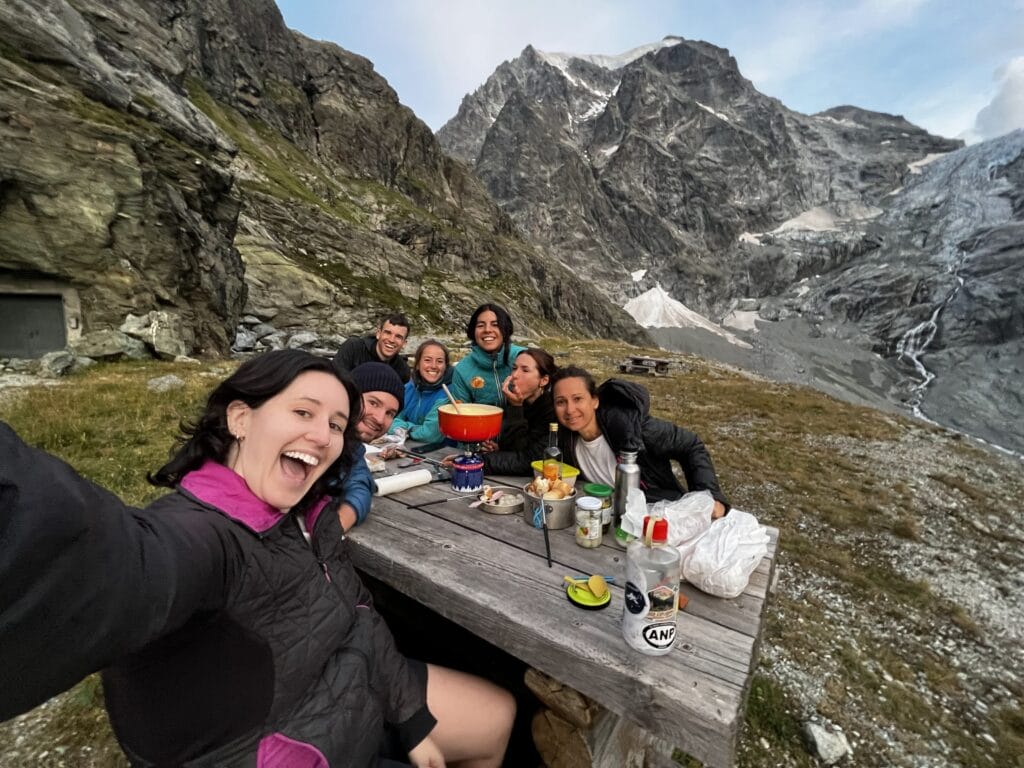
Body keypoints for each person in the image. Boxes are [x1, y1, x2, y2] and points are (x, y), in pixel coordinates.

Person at [0, 350, 515, 767]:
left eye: (336, 424)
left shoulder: (311, 511)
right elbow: (104, 561)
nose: (323, 435)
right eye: (302, 412)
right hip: (278, 745)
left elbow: (356, 609)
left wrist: (411, 716)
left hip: (348, 685)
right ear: (241, 418)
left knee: (499, 714)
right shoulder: (202, 535)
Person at [550, 365, 730, 518]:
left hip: (661, 515)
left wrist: (711, 498)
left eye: (578, 399)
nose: (570, 409)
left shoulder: (632, 428)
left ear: (595, 401)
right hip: (613, 522)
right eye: (561, 402)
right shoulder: (565, 440)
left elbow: (691, 445)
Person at [333, 361, 407, 532]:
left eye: (390, 413)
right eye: (374, 403)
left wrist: (333, 529)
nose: (380, 419)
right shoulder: (318, 433)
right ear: (350, 396)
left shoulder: (352, 446)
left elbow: (360, 484)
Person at [479, 347, 557, 476]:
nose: (514, 375)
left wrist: (476, 462)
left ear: (544, 380)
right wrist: (499, 450)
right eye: (514, 368)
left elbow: (529, 459)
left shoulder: (551, 409)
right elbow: (516, 446)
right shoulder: (519, 401)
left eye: (525, 370)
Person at [448, 303, 525, 407]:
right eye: (480, 325)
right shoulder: (462, 370)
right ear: (473, 332)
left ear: (506, 329)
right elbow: (461, 413)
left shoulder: (523, 357)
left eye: (495, 325)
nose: (487, 330)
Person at [388, 340, 453, 450]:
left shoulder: (448, 393)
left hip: (442, 453)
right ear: (417, 364)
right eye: (427, 360)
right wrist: (415, 428)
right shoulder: (408, 388)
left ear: (445, 366)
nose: (433, 366)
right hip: (410, 449)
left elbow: (430, 435)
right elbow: (389, 421)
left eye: (440, 361)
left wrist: (406, 428)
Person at [333, 312, 412, 383]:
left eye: (398, 337)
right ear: (378, 334)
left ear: (404, 343)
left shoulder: (402, 370)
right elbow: (334, 380)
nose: (391, 340)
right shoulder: (353, 348)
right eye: (388, 333)